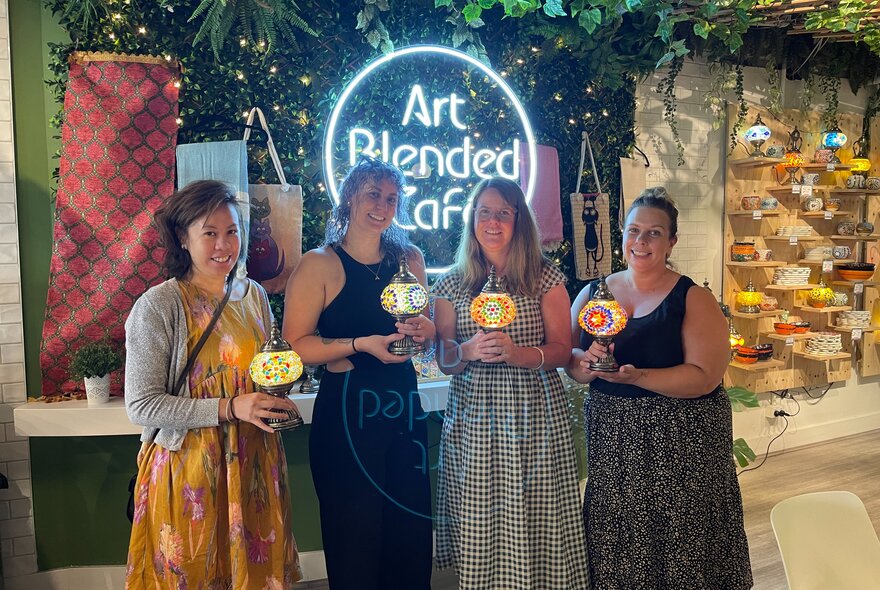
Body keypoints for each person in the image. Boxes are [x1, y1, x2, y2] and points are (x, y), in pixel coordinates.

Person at [567, 186, 752, 589]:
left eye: (654, 233)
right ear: (622, 235)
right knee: (622, 536)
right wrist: (590, 360)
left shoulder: (694, 298)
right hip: (616, 442)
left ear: (671, 242)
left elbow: (706, 375)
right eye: (634, 231)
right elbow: (574, 366)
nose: (642, 241)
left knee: (684, 538)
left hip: (682, 443)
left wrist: (639, 377)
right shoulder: (592, 294)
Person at [124, 180, 302, 589]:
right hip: (190, 472)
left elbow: (262, 372)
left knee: (253, 575)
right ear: (183, 239)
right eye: (210, 233)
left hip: (254, 462)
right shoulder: (160, 305)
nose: (224, 245)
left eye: (232, 231)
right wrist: (229, 407)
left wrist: (281, 385)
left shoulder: (253, 296)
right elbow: (142, 405)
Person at [282, 158, 434, 590]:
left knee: (408, 533)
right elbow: (295, 345)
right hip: (346, 414)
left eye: (391, 198)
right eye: (373, 194)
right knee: (355, 537)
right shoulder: (319, 264)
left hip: (402, 408)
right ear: (349, 195)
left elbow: (423, 329)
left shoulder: (410, 258)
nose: (382, 206)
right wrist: (358, 344)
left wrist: (425, 330)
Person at [433, 177, 590, 589]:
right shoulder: (451, 283)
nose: (493, 221)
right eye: (484, 211)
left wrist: (519, 354)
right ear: (472, 219)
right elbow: (445, 359)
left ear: (518, 220)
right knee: (482, 513)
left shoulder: (543, 277)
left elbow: (562, 348)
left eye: (504, 212)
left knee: (539, 510)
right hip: (475, 418)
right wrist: (466, 351)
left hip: (534, 413)